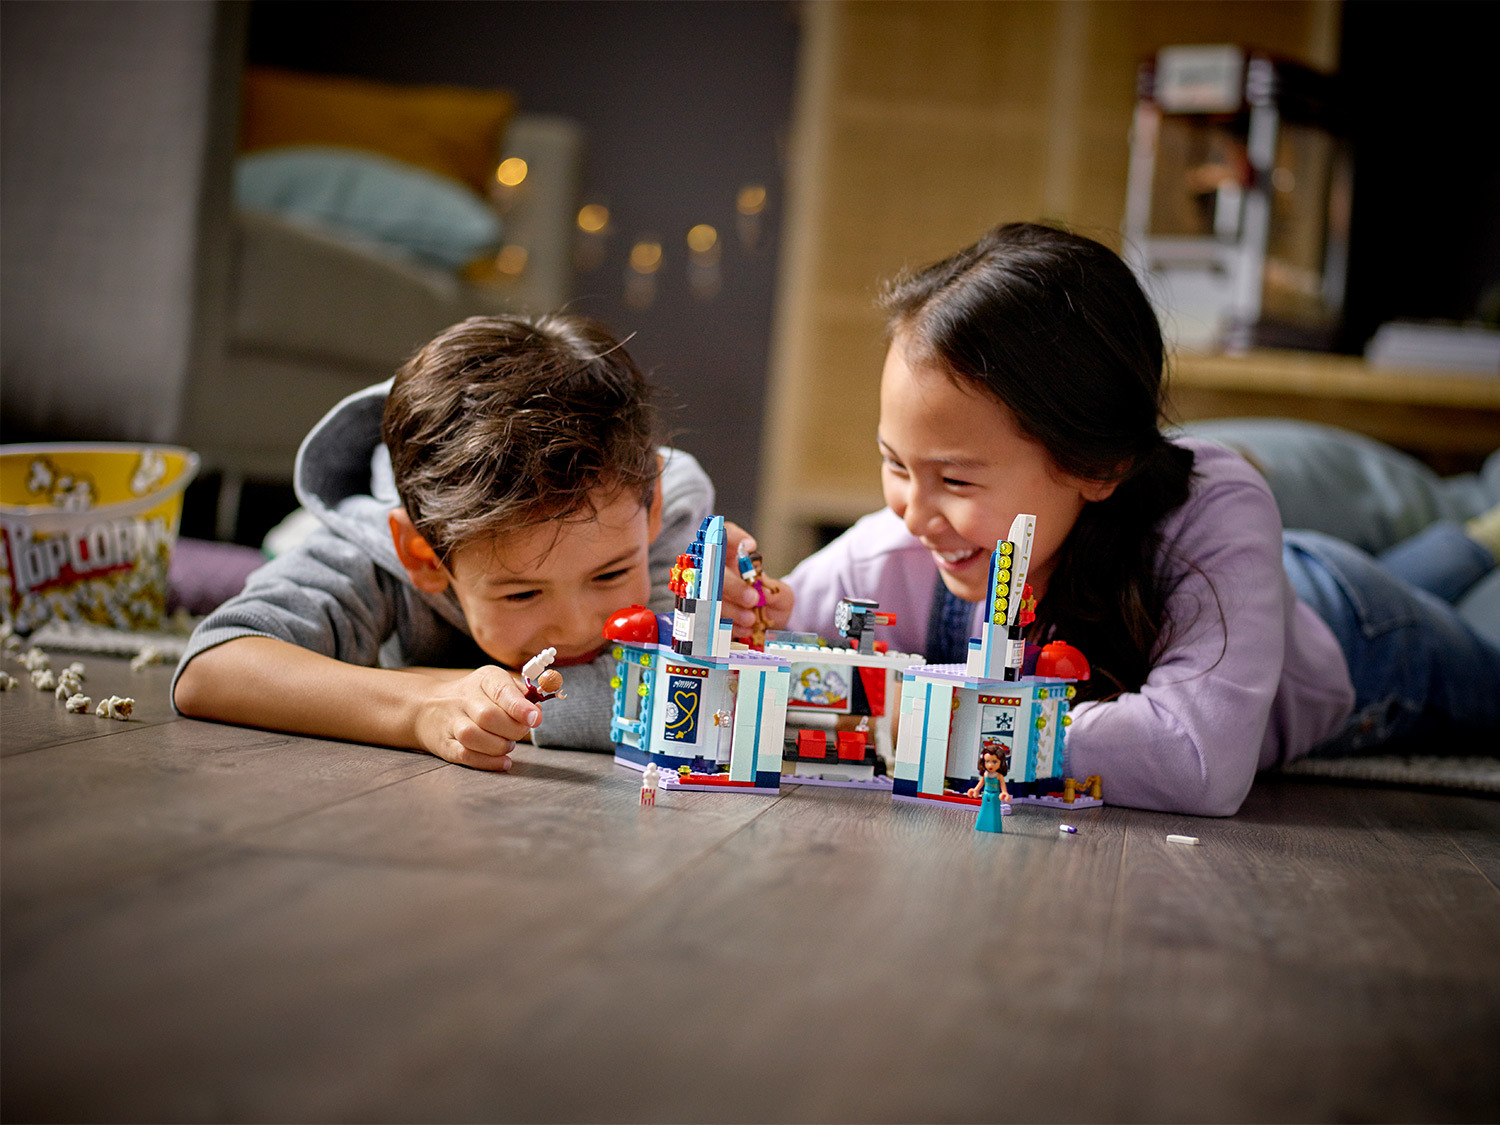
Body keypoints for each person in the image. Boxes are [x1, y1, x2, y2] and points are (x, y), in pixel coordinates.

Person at [771, 222, 1500, 816]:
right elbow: (766, 653)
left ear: (1097, 464)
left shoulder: (1219, 505)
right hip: (1269, 589)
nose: (913, 514)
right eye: (896, 465)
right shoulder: (906, 545)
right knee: (1441, 562)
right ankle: (1472, 539)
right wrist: (748, 608)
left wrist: (938, 720)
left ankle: (1480, 531)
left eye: (955, 478)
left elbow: (1197, 761)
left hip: (1356, 632)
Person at [172, 314, 715, 770]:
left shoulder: (646, 508)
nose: (577, 627)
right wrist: (421, 705)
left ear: (652, 509)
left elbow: (683, 700)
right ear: (423, 558)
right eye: (522, 592)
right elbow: (211, 670)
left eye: (611, 574)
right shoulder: (374, 550)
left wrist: (417, 682)